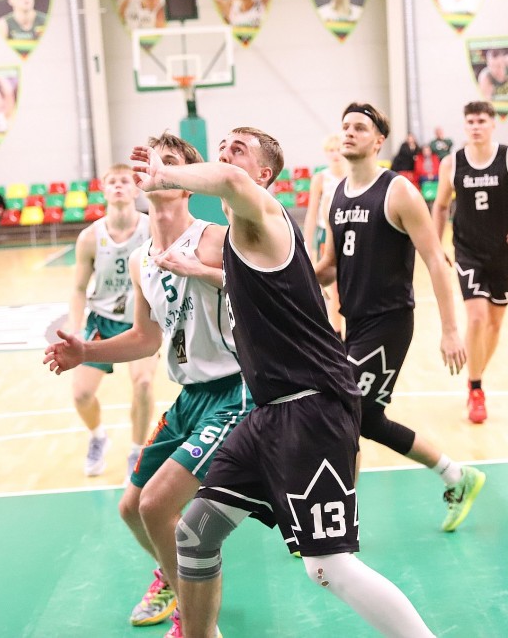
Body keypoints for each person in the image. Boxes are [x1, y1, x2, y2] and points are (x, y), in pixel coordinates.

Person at [131, 128, 437, 637]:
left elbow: (229, 181)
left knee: (327, 568)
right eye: (223, 147)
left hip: (311, 408)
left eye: (239, 150)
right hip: (266, 413)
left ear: (263, 175)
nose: (226, 154)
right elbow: (253, 288)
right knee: (194, 534)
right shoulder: (238, 241)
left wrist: (163, 174)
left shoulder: (263, 212)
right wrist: (198, 270)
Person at [45, 133, 251, 637]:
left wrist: (201, 271)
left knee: (158, 506)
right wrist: (85, 352)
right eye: (151, 161)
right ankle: (176, 579)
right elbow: (144, 338)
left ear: (186, 183)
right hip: (189, 398)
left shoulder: (214, 239)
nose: (155, 168)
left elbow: (266, 289)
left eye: (170, 162)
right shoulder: (141, 260)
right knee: (131, 509)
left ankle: (196, 623)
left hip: (234, 394)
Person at [315, 102, 484, 533]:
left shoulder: (398, 192)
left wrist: (450, 330)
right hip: (354, 324)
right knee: (367, 420)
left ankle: (339, 521)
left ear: (378, 141)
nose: (349, 133)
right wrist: (279, 281)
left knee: (340, 413)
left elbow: (436, 260)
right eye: (345, 126)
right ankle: (456, 476)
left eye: (359, 128)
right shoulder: (336, 196)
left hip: (388, 323)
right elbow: (330, 266)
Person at [432, 101, 508, 424]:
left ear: (493, 124)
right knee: (477, 317)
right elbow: (440, 206)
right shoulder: (452, 163)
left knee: (495, 324)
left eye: (481, 121)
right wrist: (435, 246)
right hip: (468, 252)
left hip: (503, 252)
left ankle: (475, 377)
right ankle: (476, 389)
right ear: (464, 125)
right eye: (470, 121)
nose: (475, 126)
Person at [64, 163, 156, 477]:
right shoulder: (90, 237)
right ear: (103, 189)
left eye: (125, 181)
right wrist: (75, 328)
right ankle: (98, 436)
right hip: (102, 321)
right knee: (81, 394)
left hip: (141, 320)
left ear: (136, 188)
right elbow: (79, 289)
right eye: (112, 181)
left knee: (144, 383)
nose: (118, 186)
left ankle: (137, 452)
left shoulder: (151, 229)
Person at [303, 133, 348, 335]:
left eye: (338, 149)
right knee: (333, 289)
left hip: (349, 235)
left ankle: (351, 332)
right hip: (326, 237)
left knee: (351, 288)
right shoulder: (320, 178)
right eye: (331, 150)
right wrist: (307, 247)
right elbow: (312, 215)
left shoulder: (352, 176)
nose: (335, 154)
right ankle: (337, 336)